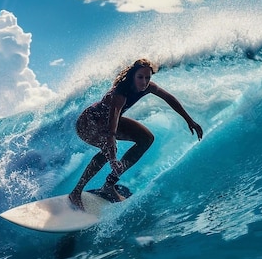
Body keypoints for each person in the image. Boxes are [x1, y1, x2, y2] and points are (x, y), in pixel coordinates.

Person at [69, 58, 203, 210]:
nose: (144, 82)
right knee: (107, 149)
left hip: (107, 123)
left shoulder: (148, 87)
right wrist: (112, 158)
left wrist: (189, 120)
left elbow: (169, 98)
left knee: (146, 139)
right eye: (140, 77)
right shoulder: (120, 94)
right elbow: (111, 131)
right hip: (88, 123)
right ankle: (76, 192)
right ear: (132, 76)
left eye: (148, 78)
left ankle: (109, 185)